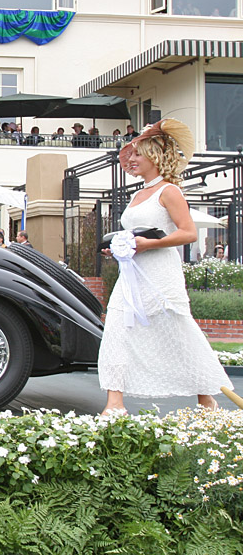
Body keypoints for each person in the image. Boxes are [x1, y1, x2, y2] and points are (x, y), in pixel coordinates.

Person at [98, 118, 232, 414]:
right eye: (130, 156)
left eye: (136, 154)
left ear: (155, 156)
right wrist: (119, 249)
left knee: (178, 332)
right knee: (117, 328)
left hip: (161, 274)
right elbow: (133, 235)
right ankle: (114, 404)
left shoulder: (168, 191)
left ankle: (206, 397)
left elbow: (188, 233)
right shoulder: (137, 195)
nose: (131, 160)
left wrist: (148, 245)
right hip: (132, 275)